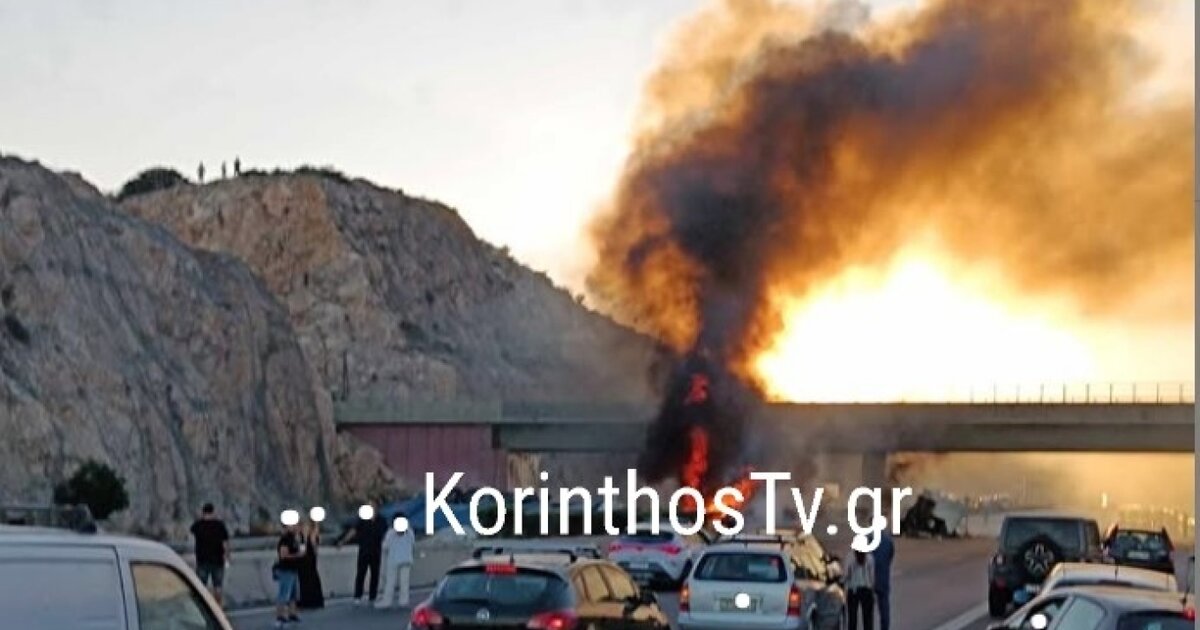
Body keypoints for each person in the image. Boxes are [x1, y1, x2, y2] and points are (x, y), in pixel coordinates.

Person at [337, 500, 386, 604]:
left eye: (373, 506)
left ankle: (373, 596)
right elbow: (353, 531)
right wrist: (343, 541)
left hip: (376, 550)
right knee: (361, 573)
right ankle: (358, 595)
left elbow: (385, 534)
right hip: (364, 549)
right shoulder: (362, 519)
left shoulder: (381, 520)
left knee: (375, 574)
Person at [189, 503, 230, 606]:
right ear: (213, 512)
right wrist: (226, 556)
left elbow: (191, 532)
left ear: (203, 512)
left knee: (201, 586)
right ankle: (218, 607)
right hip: (218, 560)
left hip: (202, 560)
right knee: (218, 586)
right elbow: (225, 543)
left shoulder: (198, 525)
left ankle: (202, 607)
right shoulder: (220, 525)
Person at [376, 517, 415, 609]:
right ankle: (404, 601)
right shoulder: (410, 532)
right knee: (404, 582)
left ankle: (387, 601)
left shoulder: (390, 533)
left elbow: (385, 546)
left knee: (390, 582)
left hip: (393, 559)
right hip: (406, 559)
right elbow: (413, 544)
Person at [274, 520, 303, 627]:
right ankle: (280, 616)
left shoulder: (294, 539)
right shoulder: (285, 539)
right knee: (284, 594)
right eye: (293, 525)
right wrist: (298, 555)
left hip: (293, 569)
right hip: (285, 570)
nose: (296, 527)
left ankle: (292, 614)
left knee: (293, 595)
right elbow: (283, 555)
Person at [873, 520, 896, 630]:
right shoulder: (888, 541)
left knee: (868, 609)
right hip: (883, 578)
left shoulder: (868, 539)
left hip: (869, 579)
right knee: (884, 608)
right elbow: (890, 556)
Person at [846, 548, 876, 630]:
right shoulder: (869, 558)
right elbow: (872, 577)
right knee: (868, 619)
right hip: (867, 589)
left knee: (852, 618)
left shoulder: (850, 557)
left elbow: (846, 575)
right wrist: (873, 592)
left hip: (853, 590)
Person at [297, 519, 325, 609]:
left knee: (310, 580)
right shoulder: (301, 537)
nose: (302, 528)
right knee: (304, 581)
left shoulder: (311, 536)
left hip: (309, 561)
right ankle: (306, 600)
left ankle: (313, 601)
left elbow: (314, 549)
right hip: (302, 561)